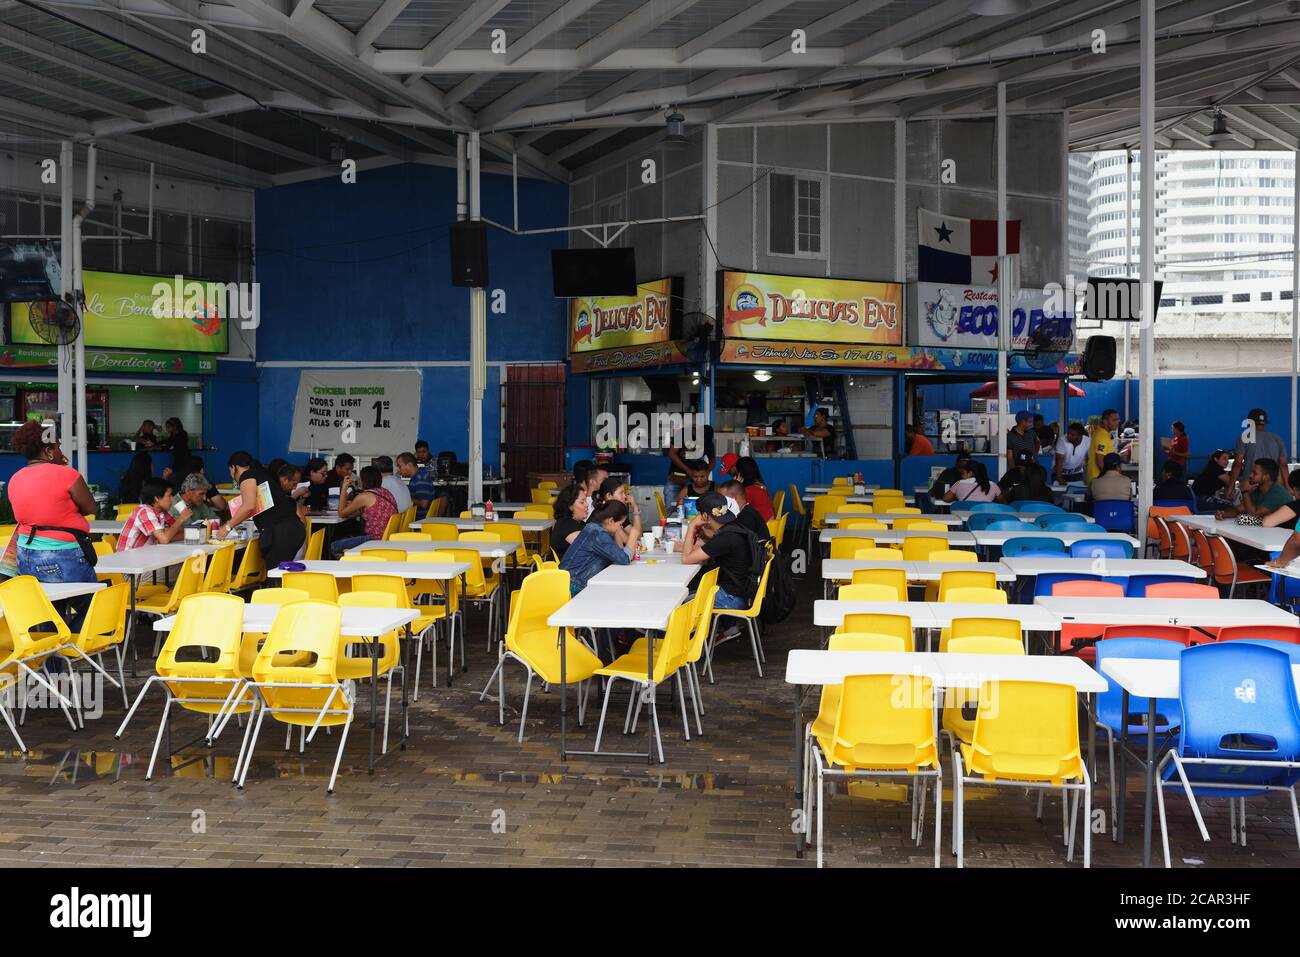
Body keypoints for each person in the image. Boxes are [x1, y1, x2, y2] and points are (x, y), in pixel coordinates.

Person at [7, 419, 97, 583]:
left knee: (49, 606)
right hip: (63, 554)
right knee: (92, 604)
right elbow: (90, 507)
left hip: (25, 555)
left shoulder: (15, 478)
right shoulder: (67, 474)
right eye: (58, 447)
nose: (61, 452)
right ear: (48, 451)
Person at [218, 451, 305, 566]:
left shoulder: (247, 476)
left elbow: (248, 506)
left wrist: (227, 527)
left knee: (275, 575)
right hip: (293, 529)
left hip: (281, 532)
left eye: (230, 470)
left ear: (234, 467)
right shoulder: (261, 475)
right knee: (281, 573)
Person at [680, 491, 760, 610]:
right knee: (691, 593)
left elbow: (686, 558)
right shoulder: (735, 527)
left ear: (705, 516)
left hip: (732, 597)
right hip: (742, 591)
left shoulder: (724, 538)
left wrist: (692, 526)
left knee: (681, 602)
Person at [558, 500, 632, 595]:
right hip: (572, 586)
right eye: (620, 524)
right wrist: (634, 534)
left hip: (570, 581)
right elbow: (624, 559)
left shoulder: (595, 528)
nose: (620, 527)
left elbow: (617, 552)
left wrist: (616, 530)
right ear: (610, 521)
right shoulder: (598, 534)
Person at [330, 465, 400, 556]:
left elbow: (341, 513)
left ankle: (350, 563)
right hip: (388, 536)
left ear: (363, 481)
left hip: (375, 539)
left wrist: (344, 488)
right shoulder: (386, 492)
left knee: (334, 546)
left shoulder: (364, 496)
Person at [117, 478, 193, 550]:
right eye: (169, 496)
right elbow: (164, 539)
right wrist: (181, 519)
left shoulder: (162, 512)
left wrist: (186, 533)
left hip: (145, 555)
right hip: (127, 558)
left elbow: (178, 531)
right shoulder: (145, 511)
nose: (172, 499)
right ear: (157, 498)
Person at [1230, 407, 1288, 492]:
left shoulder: (1244, 439)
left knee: (1248, 505)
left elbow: (1238, 464)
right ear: (1264, 423)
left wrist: (1230, 487)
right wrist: (1288, 486)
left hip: (1250, 484)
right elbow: (1283, 465)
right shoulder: (1277, 439)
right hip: (1272, 486)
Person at [1215, 457, 1289, 520]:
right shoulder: (1258, 490)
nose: (1250, 475)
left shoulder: (1277, 494)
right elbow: (1240, 509)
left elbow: (1254, 516)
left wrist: (1245, 491)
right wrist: (1224, 514)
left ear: (1265, 477)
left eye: (1255, 473)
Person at [663, 425, 714, 507]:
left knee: (693, 508)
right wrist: (687, 470)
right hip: (676, 477)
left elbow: (712, 460)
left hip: (693, 481)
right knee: (672, 507)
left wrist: (706, 471)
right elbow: (672, 454)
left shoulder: (707, 440)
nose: (702, 443)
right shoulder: (682, 434)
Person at [592, 476, 644, 548]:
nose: (625, 496)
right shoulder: (604, 514)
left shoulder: (616, 512)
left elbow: (638, 537)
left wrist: (635, 508)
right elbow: (632, 542)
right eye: (621, 493)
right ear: (609, 496)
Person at [718, 479, 771, 544]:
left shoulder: (746, 517)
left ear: (734, 498)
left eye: (722, 499)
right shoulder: (747, 512)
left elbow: (735, 542)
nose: (719, 502)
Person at [550, 484, 589, 561]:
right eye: (582, 502)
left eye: (586, 501)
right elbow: (588, 548)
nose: (587, 505)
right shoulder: (565, 524)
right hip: (563, 571)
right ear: (570, 506)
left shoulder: (580, 523)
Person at [734, 456, 774, 521]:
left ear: (740, 474)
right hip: (769, 525)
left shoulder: (750, 490)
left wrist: (736, 485)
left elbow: (736, 509)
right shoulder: (759, 485)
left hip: (761, 528)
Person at [1086, 409, 1120, 484]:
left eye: (1118, 420)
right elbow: (1100, 460)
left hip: (1098, 479)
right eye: (1114, 420)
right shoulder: (1102, 436)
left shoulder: (1102, 433)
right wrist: (1110, 477)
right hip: (1099, 479)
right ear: (1105, 421)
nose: (1117, 422)